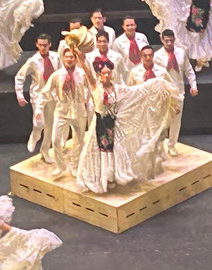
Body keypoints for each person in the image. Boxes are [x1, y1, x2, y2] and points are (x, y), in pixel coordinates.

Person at [73, 55, 179, 194]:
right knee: (97, 151)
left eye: (108, 72)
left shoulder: (118, 89)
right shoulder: (95, 87)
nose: (106, 75)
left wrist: (157, 85)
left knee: (116, 151)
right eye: (103, 73)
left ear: (111, 73)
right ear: (99, 74)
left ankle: (111, 177)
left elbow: (138, 91)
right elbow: (87, 72)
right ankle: (99, 178)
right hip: (99, 125)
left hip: (113, 125)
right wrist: (79, 56)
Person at [42, 47, 94, 178]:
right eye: (67, 57)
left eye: (72, 57)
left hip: (78, 111)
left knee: (79, 141)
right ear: (63, 58)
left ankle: (76, 166)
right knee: (56, 140)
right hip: (62, 111)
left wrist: (90, 101)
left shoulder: (82, 74)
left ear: (76, 59)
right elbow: (46, 91)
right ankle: (60, 166)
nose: (69, 59)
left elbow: (93, 89)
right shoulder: (57, 75)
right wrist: (53, 99)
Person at [14, 34, 60, 162]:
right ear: (36, 45)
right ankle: (34, 136)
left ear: (50, 45)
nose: (43, 48)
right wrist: (20, 95)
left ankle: (45, 150)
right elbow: (19, 77)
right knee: (39, 123)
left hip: (53, 96)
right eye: (40, 45)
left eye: (45, 45)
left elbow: (61, 75)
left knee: (50, 125)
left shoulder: (56, 57)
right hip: (39, 96)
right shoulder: (33, 61)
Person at [154, 30, 198, 157]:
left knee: (176, 120)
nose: (169, 43)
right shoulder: (157, 56)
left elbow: (189, 70)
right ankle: (159, 146)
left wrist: (193, 85)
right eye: (166, 40)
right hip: (163, 92)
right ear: (162, 40)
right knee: (161, 120)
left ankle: (172, 145)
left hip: (178, 91)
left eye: (171, 40)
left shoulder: (180, 53)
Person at [112, 17, 149, 82]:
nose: (130, 27)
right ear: (123, 27)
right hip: (127, 75)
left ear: (135, 26)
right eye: (127, 25)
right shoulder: (118, 42)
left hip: (143, 72)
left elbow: (148, 53)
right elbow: (116, 62)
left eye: (132, 25)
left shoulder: (142, 37)